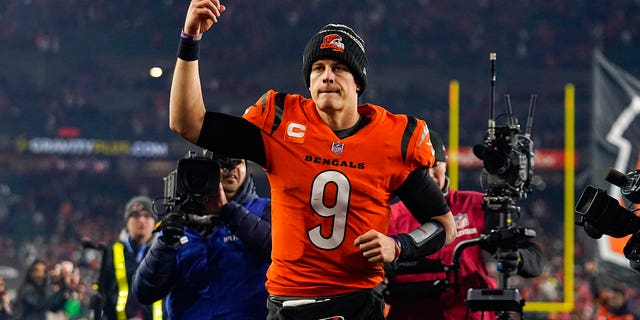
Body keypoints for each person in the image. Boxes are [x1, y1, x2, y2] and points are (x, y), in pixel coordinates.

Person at [168, 2, 457, 319]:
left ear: (358, 81)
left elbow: (445, 226)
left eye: (339, 67)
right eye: (318, 68)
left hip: (358, 303)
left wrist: (398, 246)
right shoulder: (280, 123)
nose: (327, 76)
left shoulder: (390, 138)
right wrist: (190, 38)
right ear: (308, 81)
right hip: (290, 304)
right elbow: (188, 122)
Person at [385, 131, 544, 320]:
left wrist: (516, 258)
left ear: (445, 166)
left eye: (435, 165)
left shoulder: (476, 205)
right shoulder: (390, 216)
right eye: (420, 169)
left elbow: (534, 258)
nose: (429, 175)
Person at [132, 156, 271, 319]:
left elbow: (280, 252)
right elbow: (144, 293)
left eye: (237, 161)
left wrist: (228, 211)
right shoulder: (178, 223)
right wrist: (165, 244)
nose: (231, 168)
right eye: (223, 161)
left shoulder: (264, 210)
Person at [96, 196, 165, 320]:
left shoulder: (166, 252)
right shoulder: (112, 252)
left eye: (147, 215)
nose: (142, 220)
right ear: (127, 222)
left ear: (155, 222)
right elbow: (102, 293)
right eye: (136, 215)